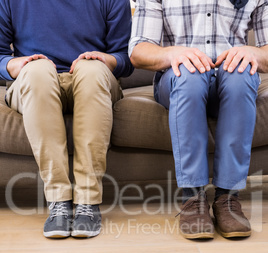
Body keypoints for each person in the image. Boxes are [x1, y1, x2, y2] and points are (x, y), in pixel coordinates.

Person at [129, 0, 268, 239]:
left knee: (241, 74)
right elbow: (139, 50)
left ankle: (228, 197)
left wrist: (252, 51)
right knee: (190, 75)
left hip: (231, 79)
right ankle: (193, 198)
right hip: (179, 79)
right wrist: (172, 52)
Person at [0, 0, 133, 239]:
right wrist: (12, 63)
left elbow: (126, 57)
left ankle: (87, 202)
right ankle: (58, 201)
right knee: (38, 69)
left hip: (92, 79)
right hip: (35, 81)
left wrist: (107, 59)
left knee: (90, 69)